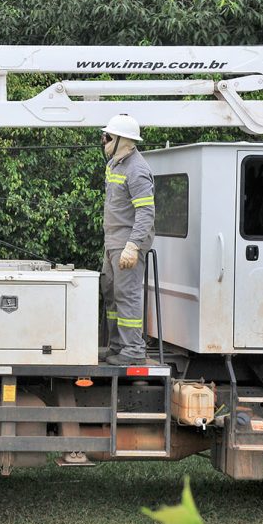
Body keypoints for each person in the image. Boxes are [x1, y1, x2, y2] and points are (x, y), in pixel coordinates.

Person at [100, 114, 155, 366]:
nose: (104, 140)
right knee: (111, 293)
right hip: (112, 243)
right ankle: (117, 345)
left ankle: (133, 349)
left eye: (109, 136)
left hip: (126, 244)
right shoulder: (115, 164)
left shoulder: (137, 169)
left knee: (127, 294)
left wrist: (132, 246)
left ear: (124, 140)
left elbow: (146, 212)